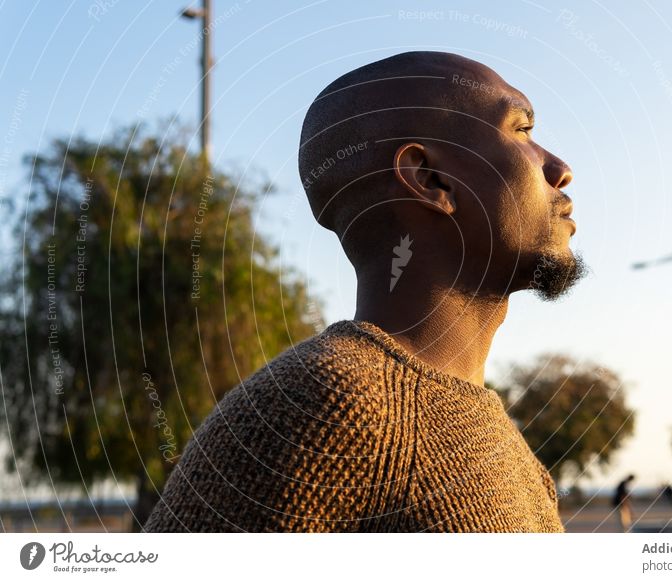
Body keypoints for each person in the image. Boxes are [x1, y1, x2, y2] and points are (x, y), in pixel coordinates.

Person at [144, 51, 584, 533]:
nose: (559, 168)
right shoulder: (327, 402)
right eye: (521, 130)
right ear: (430, 179)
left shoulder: (498, 436)